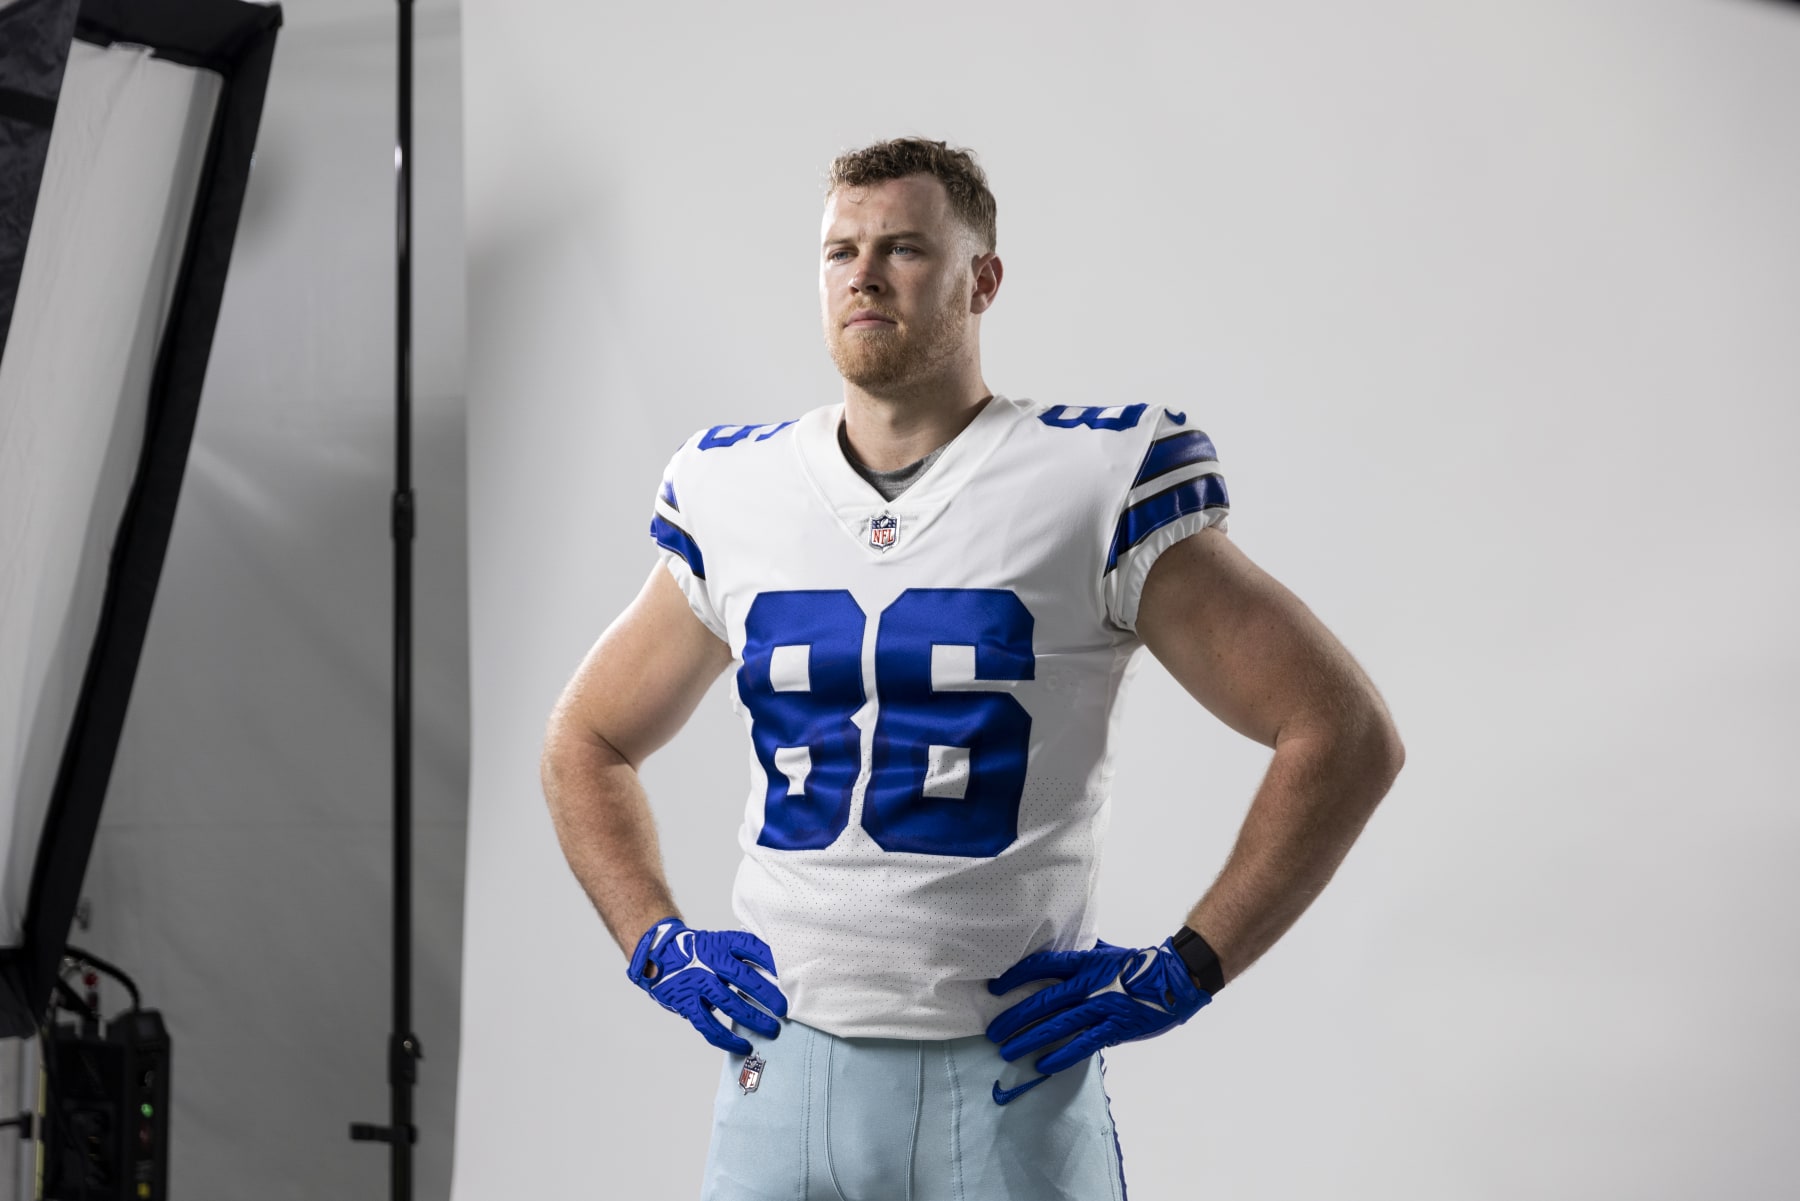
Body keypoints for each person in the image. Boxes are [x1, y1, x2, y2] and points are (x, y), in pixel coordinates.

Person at [541, 137, 1404, 1200]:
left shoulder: (1089, 476)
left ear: (981, 279)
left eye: (902, 247)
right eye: (840, 250)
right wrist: (653, 938)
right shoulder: (736, 487)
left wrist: (1191, 964)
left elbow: (1341, 730)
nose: (862, 273)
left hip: (1004, 1084)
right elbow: (587, 737)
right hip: (781, 1070)